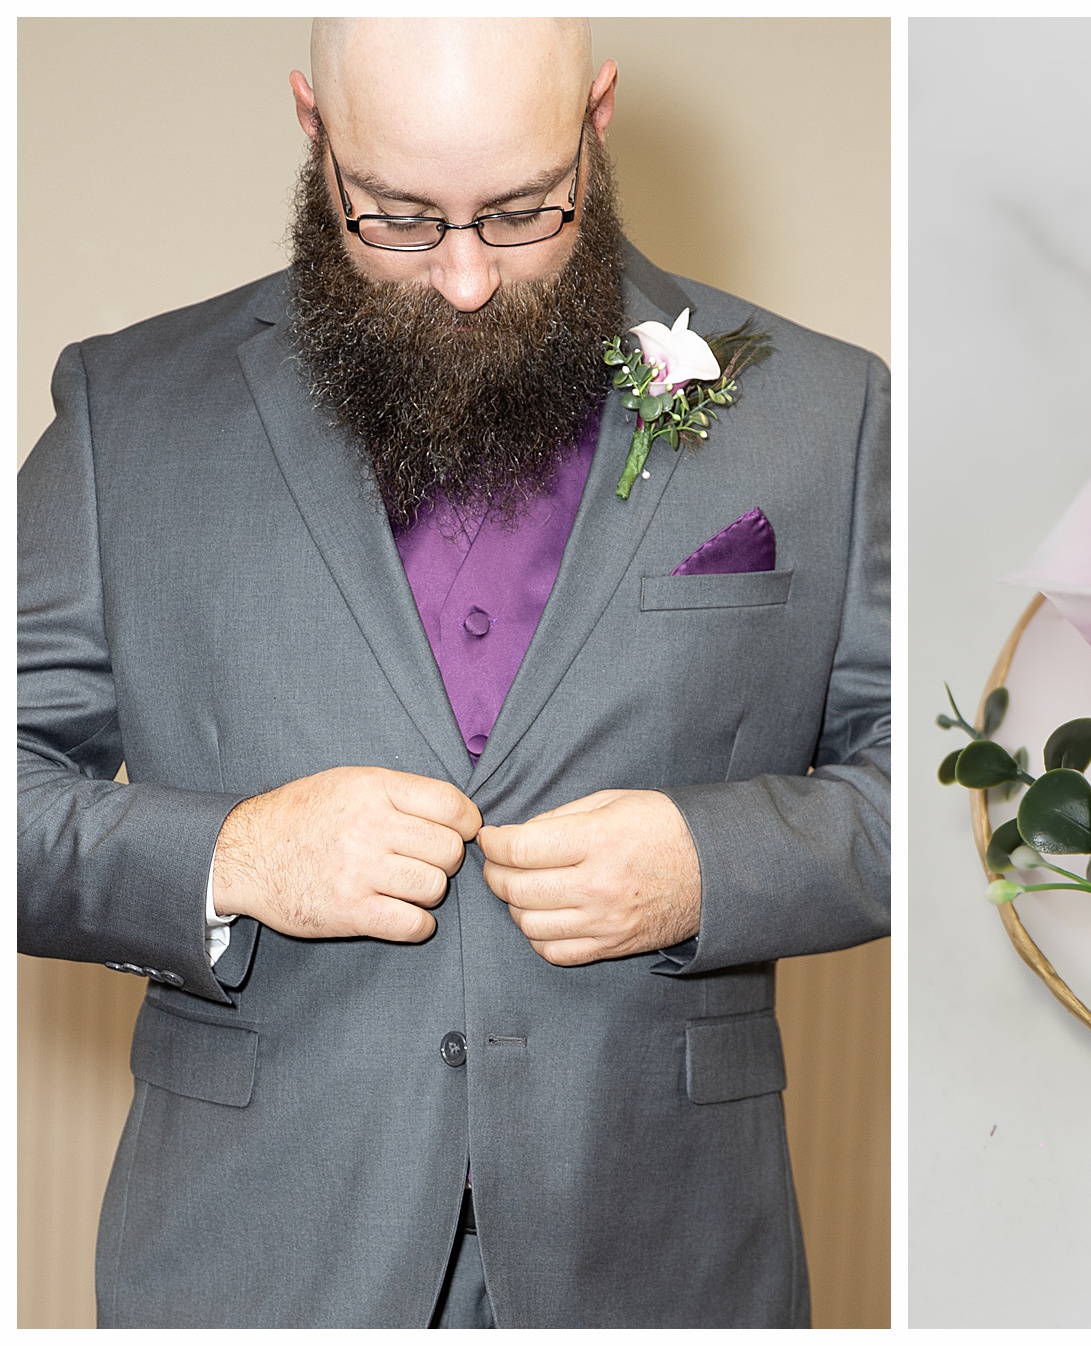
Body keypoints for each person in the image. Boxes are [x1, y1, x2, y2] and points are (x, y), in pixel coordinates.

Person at [16, 18, 888, 1329]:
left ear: (597, 125)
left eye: (525, 214)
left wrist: (712, 862)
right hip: (257, 1262)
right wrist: (234, 855)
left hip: (670, 1255)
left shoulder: (827, 411)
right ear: (314, 133)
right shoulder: (126, 412)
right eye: (401, 221)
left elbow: (928, 799)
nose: (467, 278)